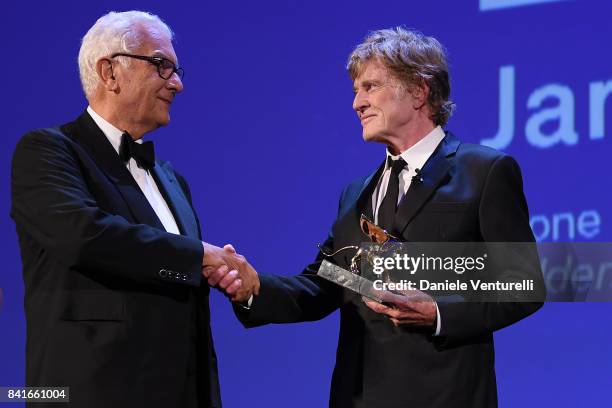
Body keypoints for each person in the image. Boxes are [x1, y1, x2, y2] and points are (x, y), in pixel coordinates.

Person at [217, 27, 544, 407]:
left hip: (445, 394)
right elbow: (326, 284)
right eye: (356, 90)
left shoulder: (484, 171)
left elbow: (523, 285)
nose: (358, 103)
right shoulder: (356, 193)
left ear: (419, 91)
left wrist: (439, 312)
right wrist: (254, 288)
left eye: (370, 87)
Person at [10, 10, 257, 408]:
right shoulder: (47, 151)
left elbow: (169, 273)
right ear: (109, 73)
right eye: (162, 66)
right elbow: (84, 236)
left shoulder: (172, 179)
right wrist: (199, 256)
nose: (177, 83)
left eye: (176, 70)